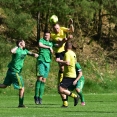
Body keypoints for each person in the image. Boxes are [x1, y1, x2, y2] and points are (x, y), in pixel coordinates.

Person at [0, 39, 38, 108]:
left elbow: (30, 53)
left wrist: (35, 54)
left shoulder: (24, 50)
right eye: (23, 42)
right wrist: (17, 46)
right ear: (20, 43)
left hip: (10, 71)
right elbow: (12, 51)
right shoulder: (17, 50)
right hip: (15, 72)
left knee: (4, 85)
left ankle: (21, 104)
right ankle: (21, 104)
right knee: (22, 88)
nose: (25, 43)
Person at [51, 19, 74, 107]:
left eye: (57, 28)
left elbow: (71, 30)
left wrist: (71, 24)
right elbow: (60, 42)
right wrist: (67, 39)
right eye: (55, 29)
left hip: (65, 51)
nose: (56, 30)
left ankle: (67, 77)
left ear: (59, 27)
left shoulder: (62, 29)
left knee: (69, 64)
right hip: (59, 52)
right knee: (62, 66)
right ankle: (62, 76)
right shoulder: (53, 35)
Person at [57, 42, 79, 107]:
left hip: (69, 74)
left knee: (61, 89)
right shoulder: (73, 53)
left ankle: (75, 96)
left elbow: (67, 63)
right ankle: (65, 104)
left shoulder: (67, 54)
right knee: (64, 89)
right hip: (71, 74)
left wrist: (60, 61)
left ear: (65, 47)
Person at [34, 30, 53, 104]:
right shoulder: (41, 40)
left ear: (50, 36)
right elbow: (40, 45)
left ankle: (40, 97)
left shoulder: (51, 43)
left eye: (48, 35)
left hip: (47, 62)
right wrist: (48, 47)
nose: (46, 36)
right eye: (45, 35)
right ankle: (36, 96)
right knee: (39, 78)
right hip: (41, 61)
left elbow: (58, 45)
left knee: (44, 80)